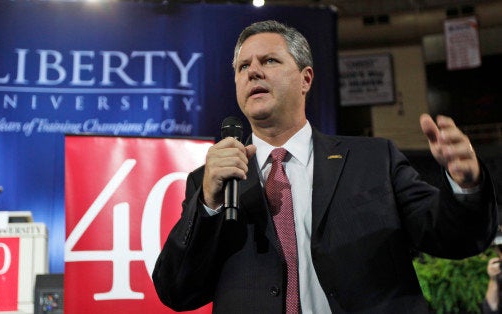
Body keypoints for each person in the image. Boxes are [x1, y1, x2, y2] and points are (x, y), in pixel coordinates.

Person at [152, 20, 498, 313]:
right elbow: (177, 292)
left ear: (305, 79)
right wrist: (208, 205)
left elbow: (454, 238)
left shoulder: (374, 160)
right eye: (243, 67)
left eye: (269, 60)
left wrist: (465, 186)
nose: (253, 70)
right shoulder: (211, 182)